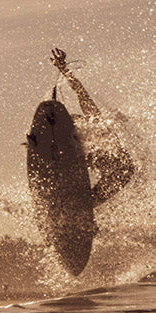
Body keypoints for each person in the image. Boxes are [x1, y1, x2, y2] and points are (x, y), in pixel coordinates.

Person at [50, 48, 135, 206]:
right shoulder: (78, 137)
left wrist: (65, 70)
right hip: (112, 171)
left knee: (88, 156)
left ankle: (84, 203)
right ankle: (83, 205)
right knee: (83, 157)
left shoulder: (93, 120)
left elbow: (81, 92)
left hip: (122, 170)